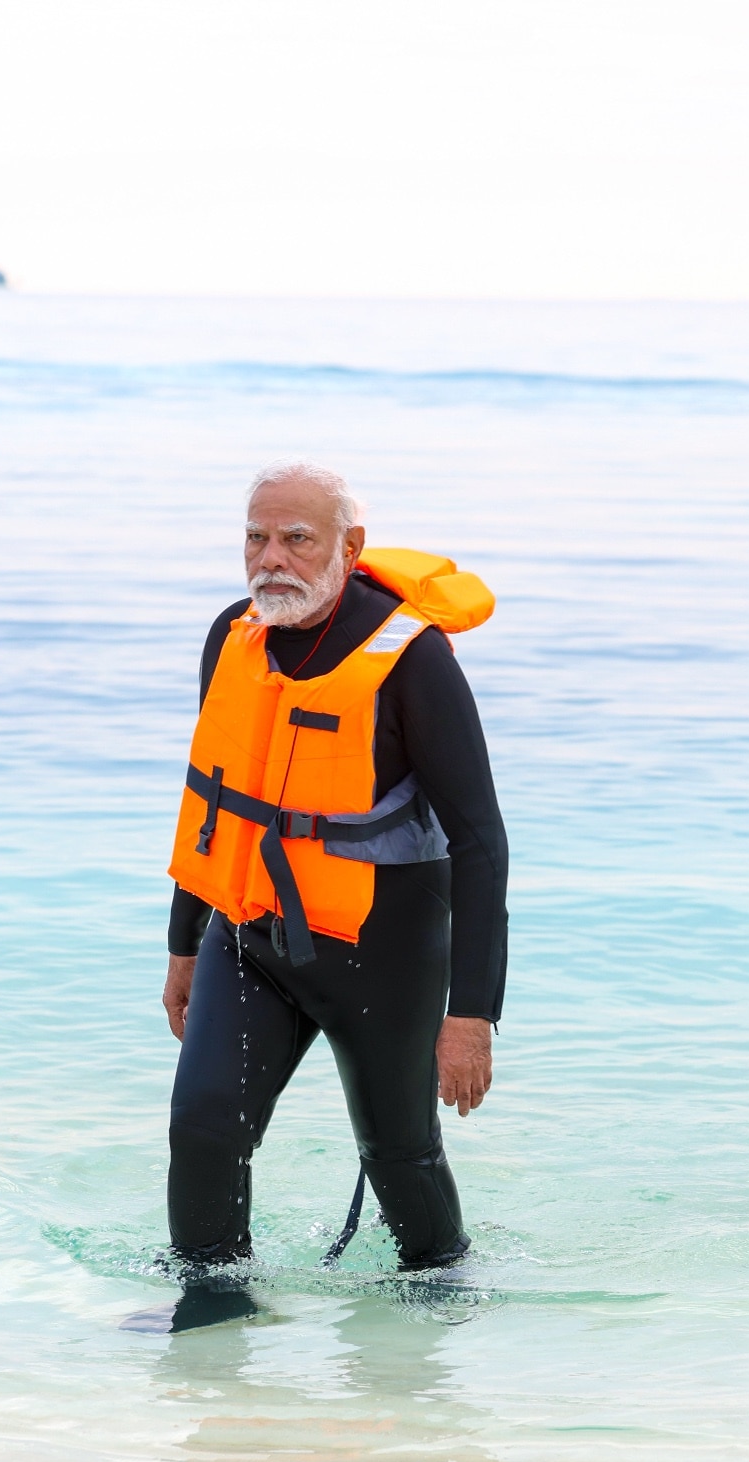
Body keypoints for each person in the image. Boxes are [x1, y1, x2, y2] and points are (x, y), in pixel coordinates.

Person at [162, 461, 508, 1271]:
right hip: (250, 934)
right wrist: (184, 942)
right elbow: (218, 800)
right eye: (255, 537)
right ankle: (210, 1311)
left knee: (398, 1155)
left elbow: (480, 842)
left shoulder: (412, 661)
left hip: (380, 952)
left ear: (349, 547)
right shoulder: (231, 636)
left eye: (295, 539)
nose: (269, 559)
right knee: (202, 1130)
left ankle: (436, 1317)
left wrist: (471, 1015)